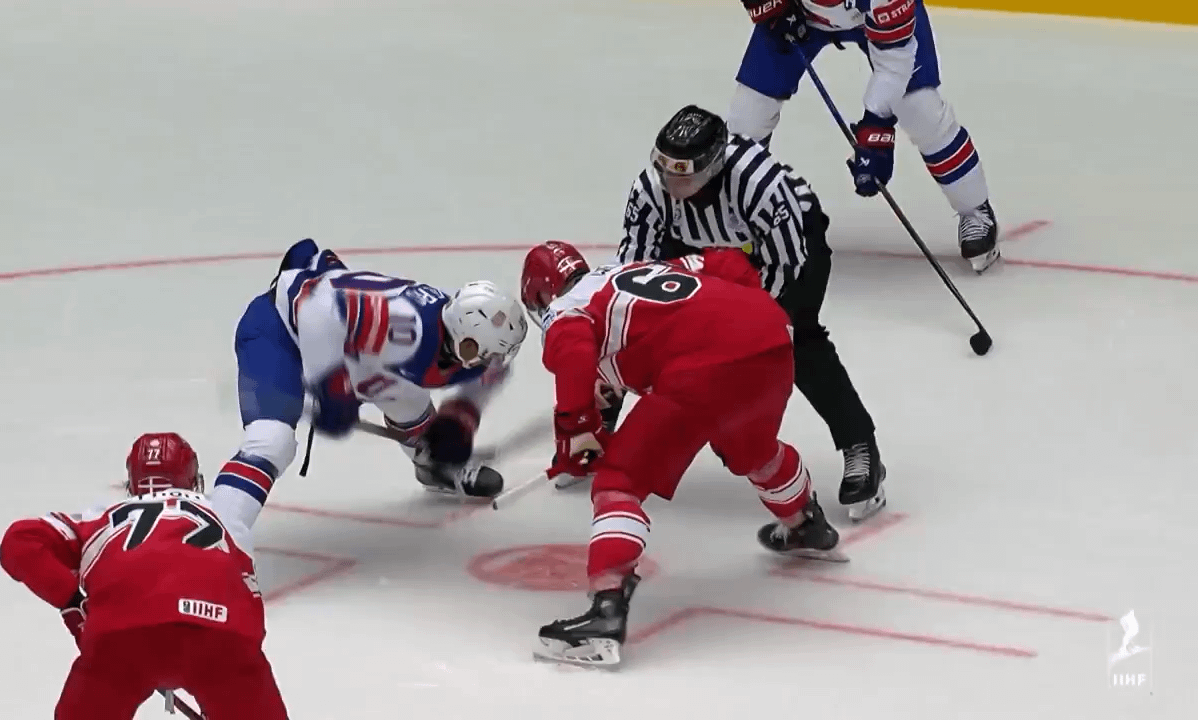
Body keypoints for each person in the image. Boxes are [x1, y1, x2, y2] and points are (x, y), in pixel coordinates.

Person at [519, 240, 846, 668]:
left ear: (543, 294)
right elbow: (728, 263)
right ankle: (805, 523)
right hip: (770, 337)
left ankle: (605, 612)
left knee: (619, 481)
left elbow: (574, 352)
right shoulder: (636, 270)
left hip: (703, 368)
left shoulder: (567, 308)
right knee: (751, 450)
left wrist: (577, 431)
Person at [615, 104, 886, 523]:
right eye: (665, 170)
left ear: (711, 167)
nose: (670, 182)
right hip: (697, 249)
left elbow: (787, 265)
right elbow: (632, 277)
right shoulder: (652, 190)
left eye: (681, 173)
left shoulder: (759, 184)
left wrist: (736, 328)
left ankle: (859, 445)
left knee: (798, 343)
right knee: (631, 331)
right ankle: (595, 431)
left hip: (783, 252)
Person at [219, 238, 528, 510]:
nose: (492, 362)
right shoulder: (405, 325)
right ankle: (221, 518)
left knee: (409, 399)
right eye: (485, 353)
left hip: (353, 350)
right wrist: (331, 382)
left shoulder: (464, 335)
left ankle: (433, 464)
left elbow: (492, 372)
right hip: (282, 333)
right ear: (465, 338)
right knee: (272, 441)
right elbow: (315, 307)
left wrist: (461, 418)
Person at [0, 433, 288, 719]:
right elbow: (263, 453)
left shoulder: (101, 517)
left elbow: (19, 543)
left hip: (121, 637)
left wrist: (72, 600)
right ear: (192, 478)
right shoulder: (223, 509)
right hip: (218, 636)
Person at [731, 0, 1000, 273]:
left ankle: (975, 210)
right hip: (796, 12)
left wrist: (877, 125)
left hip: (875, 19)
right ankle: (734, 214)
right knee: (749, 115)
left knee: (921, 109)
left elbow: (895, 64)